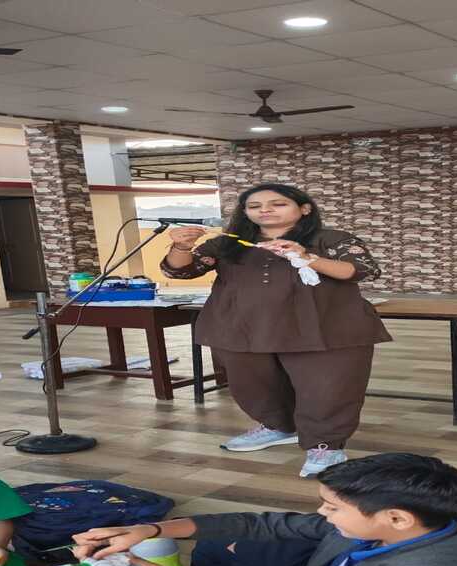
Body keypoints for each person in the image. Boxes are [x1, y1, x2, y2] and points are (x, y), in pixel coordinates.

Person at [161, 183, 391, 477]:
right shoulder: (227, 244)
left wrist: (307, 257)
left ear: (304, 209)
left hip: (325, 327)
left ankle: (325, 445)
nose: (265, 210)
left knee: (327, 389)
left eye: (277, 204)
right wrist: (181, 247)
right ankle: (278, 427)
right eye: (254, 206)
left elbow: (360, 270)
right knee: (252, 385)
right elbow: (180, 271)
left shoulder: (331, 239)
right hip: (242, 326)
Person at [72, 453, 457, 566]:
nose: (323, 513)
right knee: (216, 546)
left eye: (332, 507)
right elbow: (264, 524)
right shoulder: (406, 527)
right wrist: (150, 529)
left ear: (395, 517)